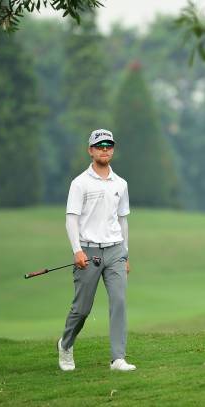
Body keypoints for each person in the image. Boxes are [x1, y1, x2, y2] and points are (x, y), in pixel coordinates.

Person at [58, 128, 136, 372]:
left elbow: (122, 220)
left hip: (115, 250)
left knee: (119, 301)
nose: (105, 150)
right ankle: (65, 344)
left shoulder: (120, 184)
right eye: (100, 146)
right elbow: (71, 219)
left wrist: (125, 254)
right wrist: (77, 250)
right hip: (88, 252)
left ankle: (118, 358)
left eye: (108, 145)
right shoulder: (79, 183)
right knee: (82, 309)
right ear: (90, 151)